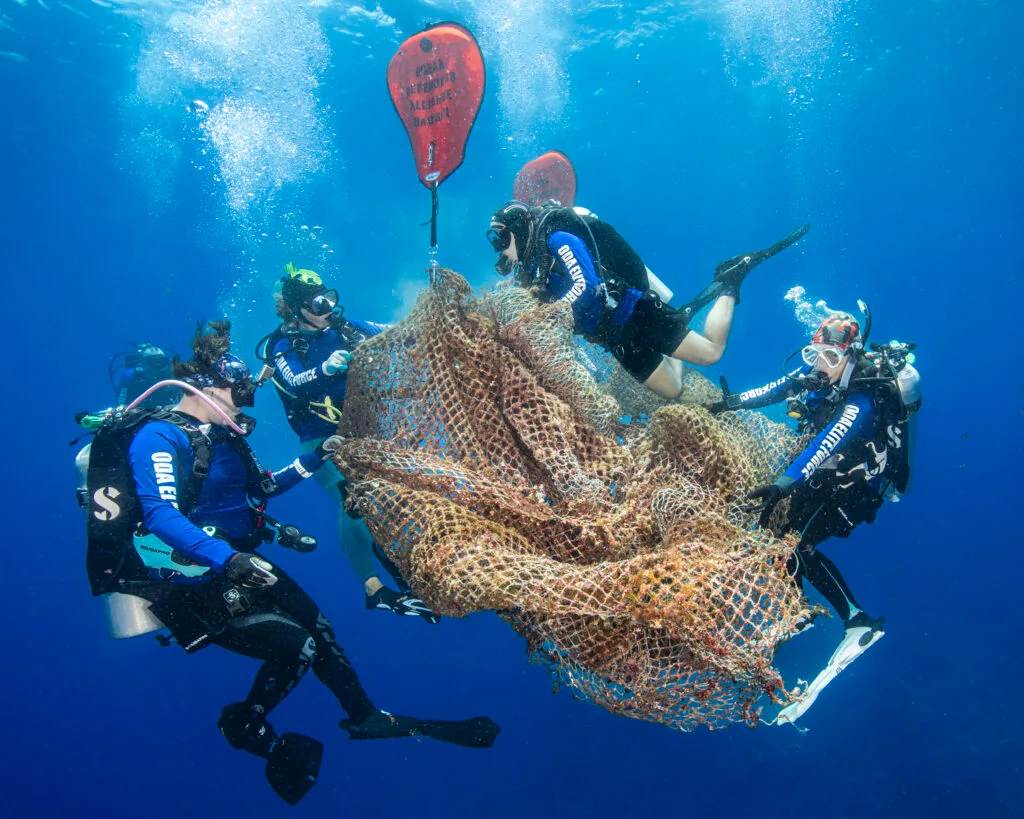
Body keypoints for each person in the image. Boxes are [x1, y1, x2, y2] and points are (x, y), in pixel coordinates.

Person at [83, 321, 498, 804]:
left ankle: (364, 716)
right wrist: (230, 559)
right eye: (238, 391)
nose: (245, 401)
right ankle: (246, 723)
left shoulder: (222, 434)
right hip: (188, 577)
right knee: (298, 645)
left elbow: (263, 486)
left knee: (319, 627)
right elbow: (158, 514)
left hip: (231, 558)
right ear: (202, 388)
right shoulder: (159, 436)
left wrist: (317, 457)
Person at [707, 306, 921, 723]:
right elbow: (776, 388)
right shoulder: (819, 374)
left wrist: (784, 483)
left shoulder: (862, 399)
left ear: (851, 356)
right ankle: (799, 612)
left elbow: (829, 440)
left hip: (857, 487)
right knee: (777, 534)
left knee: (798, 543)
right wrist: (729, 403)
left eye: (831, 357)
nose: (820, 365)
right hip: (827, 475)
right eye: (814, 354)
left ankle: (858, 622)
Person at [258, 264, 437, 621]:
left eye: (327, 299)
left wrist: (432, 309)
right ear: (298, 310)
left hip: (364, 435)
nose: (327, 308)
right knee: (351, 498)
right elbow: (295, 382)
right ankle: (373, 588)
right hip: (320, 442)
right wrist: (325, 368)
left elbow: (395, 333)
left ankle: (409, 572)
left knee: (391, 503)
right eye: (317, 304)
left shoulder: (345, 327)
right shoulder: (283, 345)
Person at [486, 200, 809, 399]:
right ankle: (680, 320)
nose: (499, 247)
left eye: (500, 237)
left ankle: (731, 280)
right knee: (673, 390)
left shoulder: (558, 240)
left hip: (635, 315)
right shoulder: (531, 270)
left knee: (712, 353)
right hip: (614, 340)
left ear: (518, 229)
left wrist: (549, 315)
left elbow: (586, 285)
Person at [109, 342, 181, 408]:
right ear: (143, 363)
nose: (158, 366)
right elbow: (122, 405)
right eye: (153, 362)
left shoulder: (173, 375)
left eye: (161, 361)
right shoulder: (132, 377)